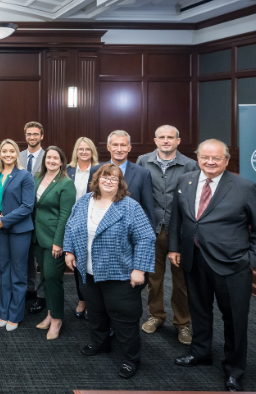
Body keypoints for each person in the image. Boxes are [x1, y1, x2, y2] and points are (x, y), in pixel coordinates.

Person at [169, 139, 256, 392]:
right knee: (198, 310)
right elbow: (177, 218)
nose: (210, 162)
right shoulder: (185, 181)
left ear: (226, 160)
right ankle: (200, 352)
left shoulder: (245, 187)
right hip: (193, 259)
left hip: (233, 265)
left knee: (234, 319)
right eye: (205, 157)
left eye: (216, 158)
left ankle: (234, 369)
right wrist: (175, 247)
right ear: (197, 158)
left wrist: (251, 261)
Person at [64, 163, 155, 379]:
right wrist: (69, 250)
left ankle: (131, 359)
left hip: (120, 274)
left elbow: (146, 238)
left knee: (124, 318)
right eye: (105, 177)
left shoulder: (130, 206)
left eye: (114, 178)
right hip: (88, 272)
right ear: (97, 180)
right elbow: (70, 226)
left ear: (120, 183)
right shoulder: (84, 201)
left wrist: (139, 269)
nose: (108, 181)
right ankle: (100, 343)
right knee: (96, 313)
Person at [136, 125, 197, 345]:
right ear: (155, 140)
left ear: (178, 141)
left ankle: (183, 324)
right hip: (152, 229)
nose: (166, 141)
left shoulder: (191, 165)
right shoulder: (143, 161)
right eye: (161, 137)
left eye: (170, 137)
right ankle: (156, 316)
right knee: (154, 278)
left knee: (181, 281)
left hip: (179, 231)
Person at [0, 139, 35, 332]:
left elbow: (27, 206)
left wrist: (4, 220)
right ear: (1, 154)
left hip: (19, 231)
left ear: (17, 154)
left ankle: (15, 314)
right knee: (2, 272)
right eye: (4, 151)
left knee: (18, 273)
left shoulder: (25, 176)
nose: (7, 154)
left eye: (11, 151)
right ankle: (4, 311)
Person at [32, 146, 76, 340]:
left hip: (53, 239)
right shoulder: (37, 178)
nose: (51, 160)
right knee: (44, 278)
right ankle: (50, 314)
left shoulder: (66, 183)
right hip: (37, 237)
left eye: (55, 158)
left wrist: (59, 243)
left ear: (61, 161)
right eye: (48, 157)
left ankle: (57, 319)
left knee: (52, 278)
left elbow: (66, 215)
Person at [87, 130, 155, 228]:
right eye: (115, 145)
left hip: (131, 232)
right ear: (108, 147)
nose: (119, 149)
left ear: (129, 148)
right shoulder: (96, 171)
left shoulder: (143, 174)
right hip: (100, 229)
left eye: (123, 145)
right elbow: (90, 202)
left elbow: (148, 210)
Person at [66, 137, 99, 319]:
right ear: (76, 151)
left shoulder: (99, 170)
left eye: (88, 149)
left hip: (93, 222)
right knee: (78, 264)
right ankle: (82, 299)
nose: (84, 152)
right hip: (73, 222)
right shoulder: (68, 170)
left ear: (92, 151)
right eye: (81, 149)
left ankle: (93, 301)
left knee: (92, 263)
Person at [19, 121, 46, 314]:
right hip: (20, 213)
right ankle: (29, 287)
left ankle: (42, 295)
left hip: (41, 214)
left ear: (41, 136)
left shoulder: (49, 157)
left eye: (36, 134)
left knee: (42, 258)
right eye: (29, 134)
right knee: (26, 255)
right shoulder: (18, 156)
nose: (32, 137)